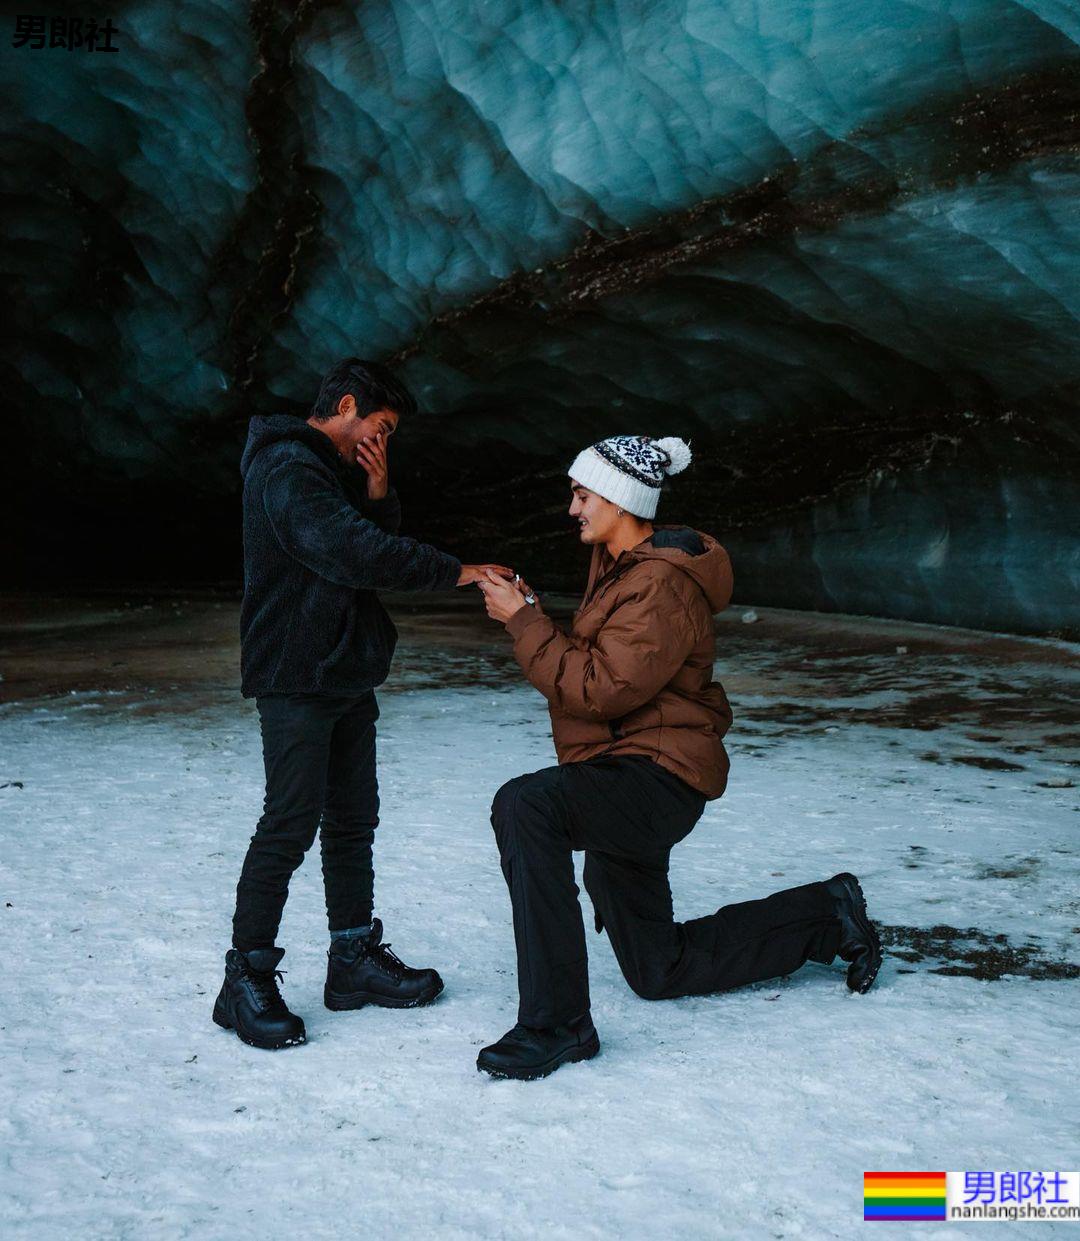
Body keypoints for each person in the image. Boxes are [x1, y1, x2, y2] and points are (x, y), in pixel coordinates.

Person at [475, 434, 882, 1080]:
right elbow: (605, 674)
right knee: (660, 969)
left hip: (654, 781)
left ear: (617, 498)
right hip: (625, 771)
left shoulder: (659, 585)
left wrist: (525, 621)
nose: (571, 507)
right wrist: (530, 614)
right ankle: (826, 914)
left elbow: (600, 688)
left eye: (582, 494)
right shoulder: (624, 571)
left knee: (526, 806)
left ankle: (555, 1024)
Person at [213, 358, 512, 1050]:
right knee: (288, 822)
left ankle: (350, 960)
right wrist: (457, 569)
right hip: (296, 678)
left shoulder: (326, 471)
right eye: (379, 429)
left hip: (341, 672)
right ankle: (243, 977)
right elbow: (352, 551)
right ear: (346, 405)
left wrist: (378, 486)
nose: (379, 441)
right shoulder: (288, 468)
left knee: (351, 820)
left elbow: (359, 540)